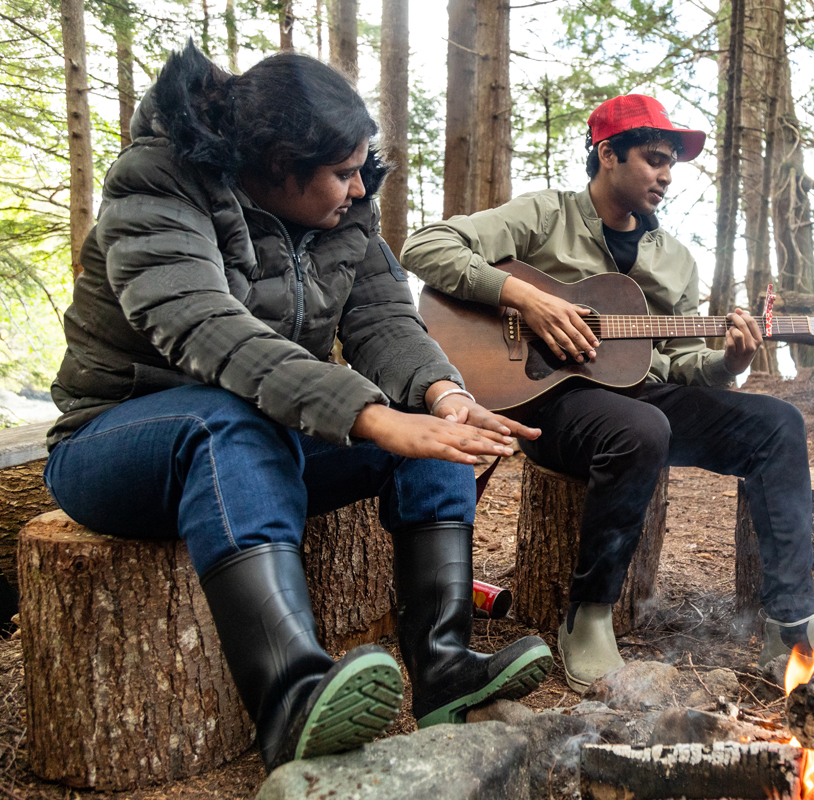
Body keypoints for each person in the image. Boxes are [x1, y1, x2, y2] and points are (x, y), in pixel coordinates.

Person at [42, 42, 552, 772]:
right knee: (228, 422)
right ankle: (290, 699)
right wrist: (373, 417)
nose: (357, 186)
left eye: (360, 169)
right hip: (115, 441)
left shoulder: (345, 213)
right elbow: (208, 330)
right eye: (342, 172)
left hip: (261, 432)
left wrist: (444, 397)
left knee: (437, 429)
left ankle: (443, 665)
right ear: (280, 164)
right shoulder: (157, 185)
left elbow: (384, 322)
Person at [401, 94, 814, 692]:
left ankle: (791, 623)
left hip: (639, 395)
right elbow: (423, 247)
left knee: (777, 423)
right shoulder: (545, 215)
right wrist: (524, 297)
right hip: (546, 401)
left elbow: (684, 363)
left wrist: (728, 361)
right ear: (607, 154)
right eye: (654, 159)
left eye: (672, 164)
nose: (666, 175)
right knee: (641, 429)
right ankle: (588, 615)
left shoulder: (676, 259)